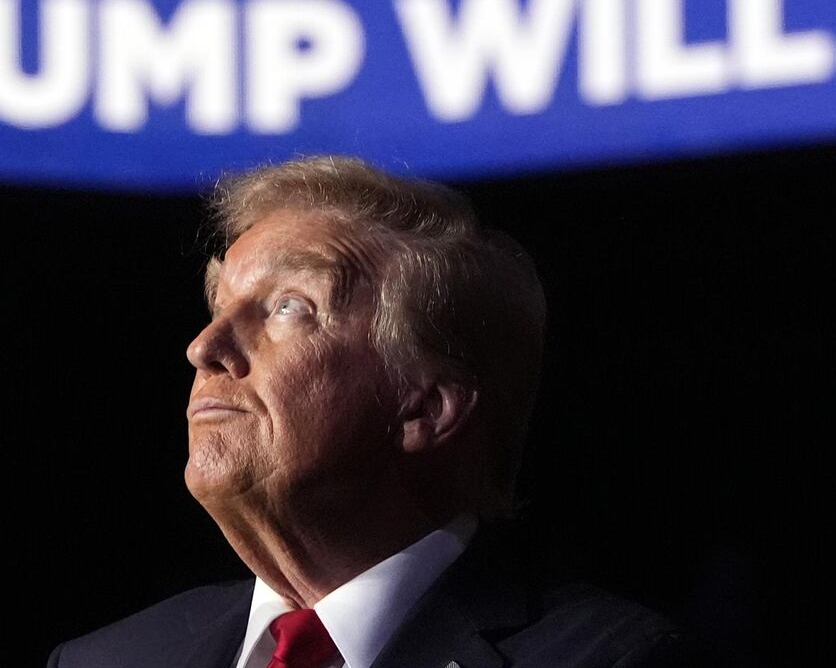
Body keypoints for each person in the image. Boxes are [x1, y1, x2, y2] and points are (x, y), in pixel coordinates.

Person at [46, 155, 692, 668]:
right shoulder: (106, 658)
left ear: (426, 409)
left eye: (288, 307)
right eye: (218, 308)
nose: (204, 348)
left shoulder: (608, 656)